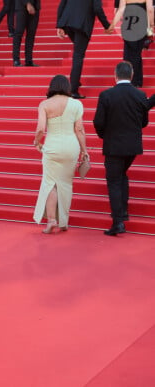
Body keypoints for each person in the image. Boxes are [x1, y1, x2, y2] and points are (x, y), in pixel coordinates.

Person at [93, 61, 149, 235]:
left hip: (113, 146)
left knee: (114, 181)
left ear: (115, 75)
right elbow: (144, 122)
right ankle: (123, 213)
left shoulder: (106, 95)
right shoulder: (140, 95)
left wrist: (105, 135)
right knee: (122, 176)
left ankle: (118, 222)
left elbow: (98, 122)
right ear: (131, 75)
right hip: (132, 146)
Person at [33, 75, 88, 233]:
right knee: (66, 183)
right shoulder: (77, 104)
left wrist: (37, 142)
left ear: (52, 87)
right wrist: (84, 150)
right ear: (67, 87)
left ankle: (51, 221)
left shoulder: (45, 104)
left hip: (52, 147)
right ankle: (64, 222)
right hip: (71, 147)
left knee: (50, 183)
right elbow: (79, 129)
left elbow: (41, 129)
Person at [57, 0, 111, 99]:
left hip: (68, 22)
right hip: (82, 24)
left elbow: (62, 4)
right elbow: (97, 8)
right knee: (78, 55)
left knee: (78, 52)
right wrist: (107, 25)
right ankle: (73, 90)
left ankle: (75, 80)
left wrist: (60, 24)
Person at [108, 0, 154, 87]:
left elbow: (121, 10)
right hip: (141, 23)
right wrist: (151, 25)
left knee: (129, 52)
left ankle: (130, 80)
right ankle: (137, 81)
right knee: (137, 53)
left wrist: (112, 25)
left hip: (128, 24)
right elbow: (150, 9)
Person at [13, 0, 40, 67]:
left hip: (35, 6)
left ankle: (29, 60)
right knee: (19, 33)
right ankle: (16, 60)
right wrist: (27, 3)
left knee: (31, 34)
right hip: (21, 6)